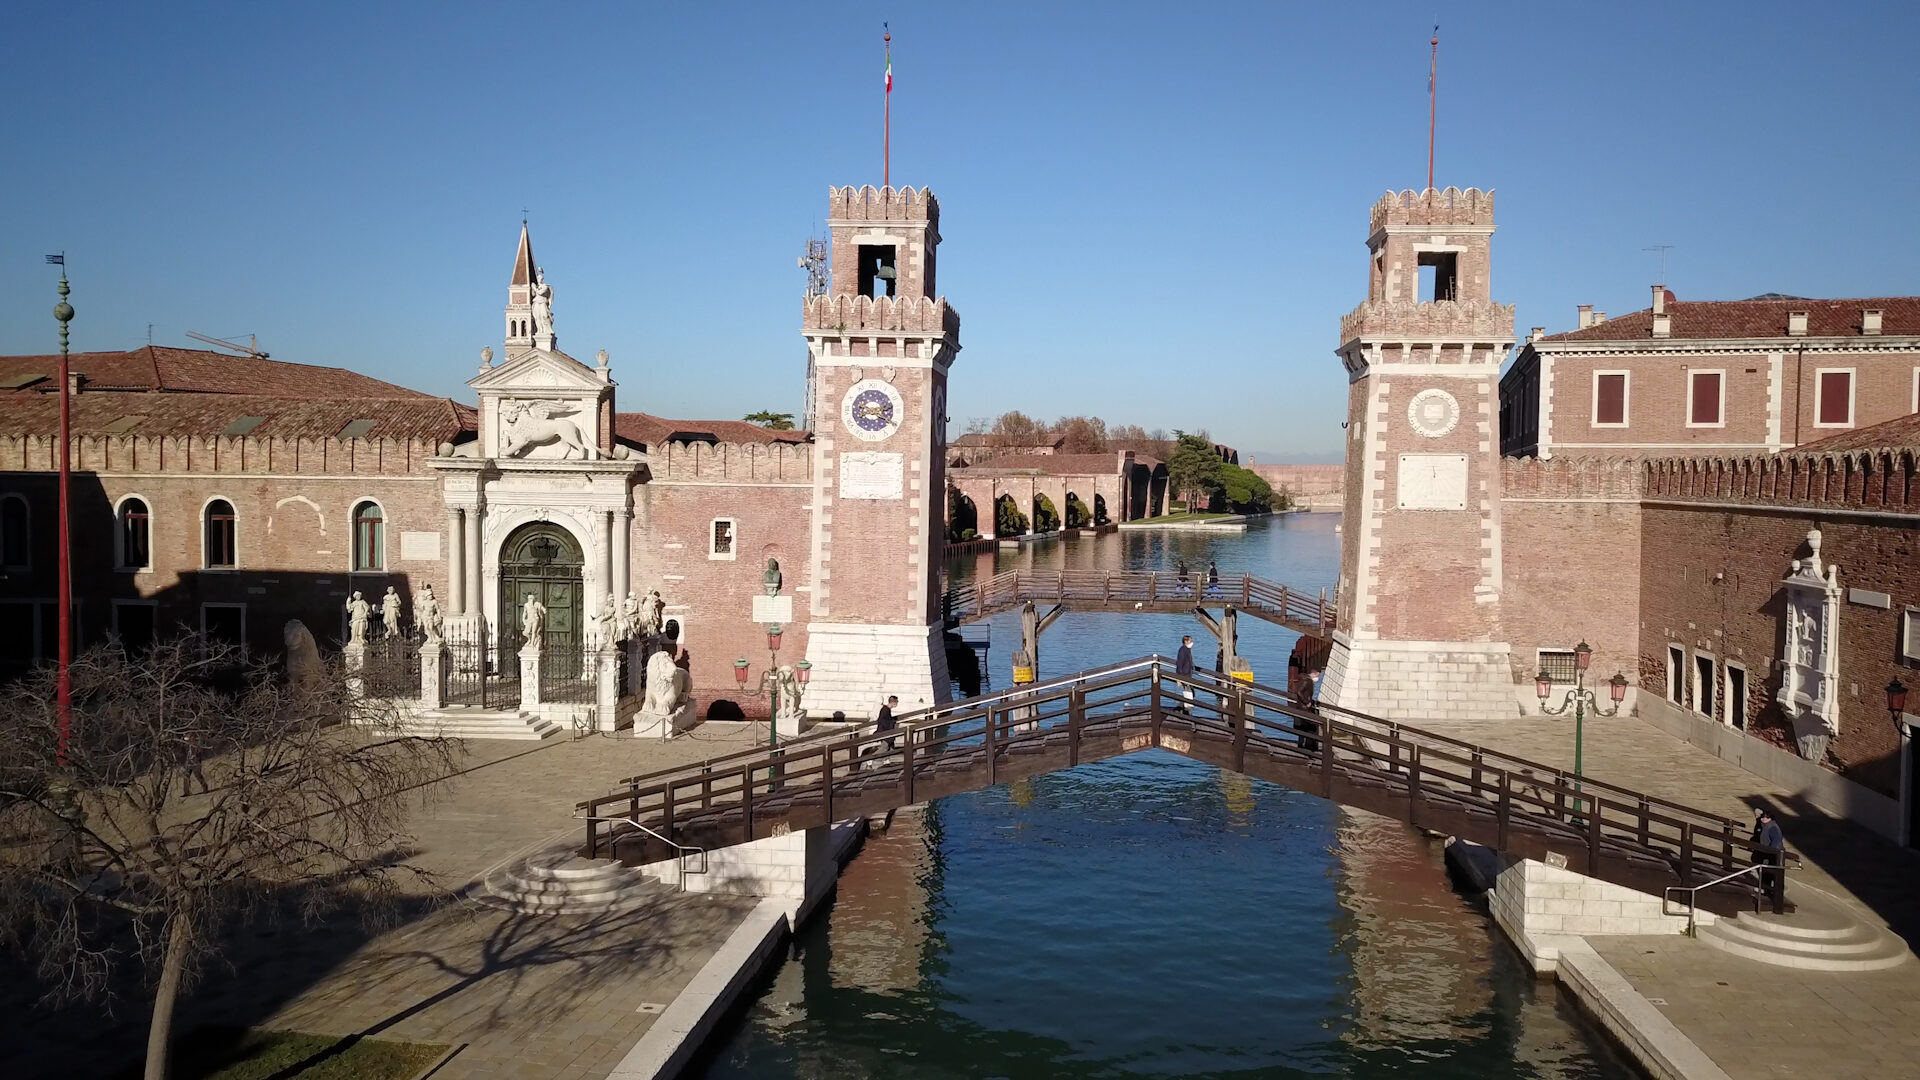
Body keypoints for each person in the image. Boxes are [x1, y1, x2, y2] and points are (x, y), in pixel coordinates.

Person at [1754, 808, 1787, 914]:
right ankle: (1766, 889)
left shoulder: (1772, 827)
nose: (1763, 819)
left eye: (1765, 818)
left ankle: (1775, 894)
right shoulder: (1765, 826)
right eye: (1763, 817)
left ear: (1770, 818)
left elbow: (1776, 841)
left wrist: (1770, 852)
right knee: (1766, 873)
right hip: (1768, 854)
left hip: (1773, 855)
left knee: (1772, 873)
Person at [1175, 635, 1196, 711]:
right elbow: (1180, 663)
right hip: (1184, 675)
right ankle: (1184, 709)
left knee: (1189, 692)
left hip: (1187, 675)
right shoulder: (1183, 650)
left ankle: (1183, 708)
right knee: (1189, 693)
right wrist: (1179, 678)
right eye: (1190, 640)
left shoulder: (1187, 649)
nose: (1192, 642)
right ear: (1186, 641)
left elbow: (1188, 661)